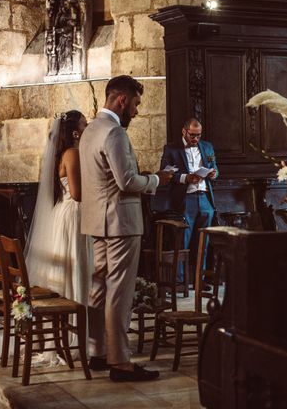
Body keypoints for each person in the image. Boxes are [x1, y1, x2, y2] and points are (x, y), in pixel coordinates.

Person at [79, 75, 172, 382]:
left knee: (99, 290)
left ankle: (98, 352)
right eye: (135, 104)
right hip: (120, 223)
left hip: (97, 222)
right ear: (121, 99)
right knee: (119, 293)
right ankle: (120, 363)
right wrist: (157, 180)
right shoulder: (115, 133)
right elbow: (127, 182)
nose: (136, 111)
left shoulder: (91, 130)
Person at [24, 109, 91, 366]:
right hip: (73, 217)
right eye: (85, 125)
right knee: (74, 274)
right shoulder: (72, 153)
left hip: (64, 215)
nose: (88, 128)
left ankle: (67, 337)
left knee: (69, 274)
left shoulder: (61, 154)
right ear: (75, 132)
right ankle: (73, 340)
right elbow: (77, 194)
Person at [160, 118, 218, 283]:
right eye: (192, 135)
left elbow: (216, 169)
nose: (196, 139)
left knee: (204, 242)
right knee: (182, 240)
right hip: (186, 199)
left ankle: (200, 280)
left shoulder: (207, 147)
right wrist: (186, 178)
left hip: (205, 198)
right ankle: (180, 281)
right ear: (184, 131)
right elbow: (165, 173)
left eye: (198, 135)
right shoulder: (171, 149)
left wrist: (214, 174)